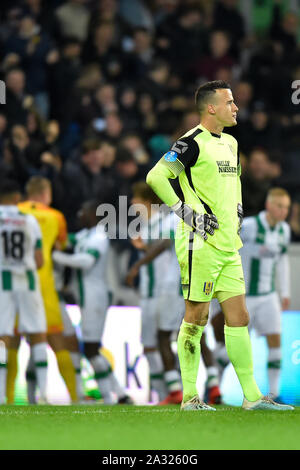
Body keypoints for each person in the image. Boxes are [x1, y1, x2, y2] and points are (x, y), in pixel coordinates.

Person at [146, 79, 294, 411]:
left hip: (229, 244)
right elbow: (156, 177)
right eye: (230, 102)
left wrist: (238, 207)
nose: (236, 107)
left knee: (239, 318)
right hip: (200, 244)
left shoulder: (230, 143)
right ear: (211, 107)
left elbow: (235, 178)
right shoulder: (190, 142)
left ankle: (252, 398)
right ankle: (189, 397)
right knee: (196, 317)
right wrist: (187, 214)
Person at [211, 187, 292, 401]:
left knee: (276, 341)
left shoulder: (284, 230)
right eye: (279, 206)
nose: (283, 211)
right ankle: (214, 389)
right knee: (231, 348)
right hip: (242, 296)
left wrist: (285, 291)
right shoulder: (248, 226)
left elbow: (282, 261)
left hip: (268, 296)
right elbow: (225, 247)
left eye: (286, 207)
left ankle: (274, 394)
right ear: (268, 205)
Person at [52, 200, 132, 405]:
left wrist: (56, 256)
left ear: (94, 215)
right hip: (85, 297)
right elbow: (67, 239)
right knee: (92, 347)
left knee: (90, 348)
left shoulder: (99, 237)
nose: (79, 215)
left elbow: (86, 261)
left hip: (95, 297)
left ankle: (113, 395)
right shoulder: (84, 235)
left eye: (83, 212)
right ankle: (118, 394)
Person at [14, 176, 77, 403]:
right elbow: (60, 247)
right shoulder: (55, 217)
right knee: (54, 338)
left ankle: (8, 399)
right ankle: (74, 397)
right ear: (45, 193)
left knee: (10, 339)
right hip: (43, 285)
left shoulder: (13, 212)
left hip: (13, 283)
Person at [126, 182, 184, 404]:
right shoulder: (145, 226)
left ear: (148, 202)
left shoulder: (167, 221)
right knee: (150, 345)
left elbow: (167, 248)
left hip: (165, 291)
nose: (132, 203)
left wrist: (140, 257)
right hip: (148, 292)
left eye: (136, 199)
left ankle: (174, 389)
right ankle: (165, 393)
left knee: (165, 340)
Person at [0, 180, 48, 404]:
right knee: (37, 333)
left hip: (3, 281)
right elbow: (39, 260)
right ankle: (44, 393)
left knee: (3, 336)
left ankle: (1, 394)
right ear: (17, 198)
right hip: (28, 281)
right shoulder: (29, 220)